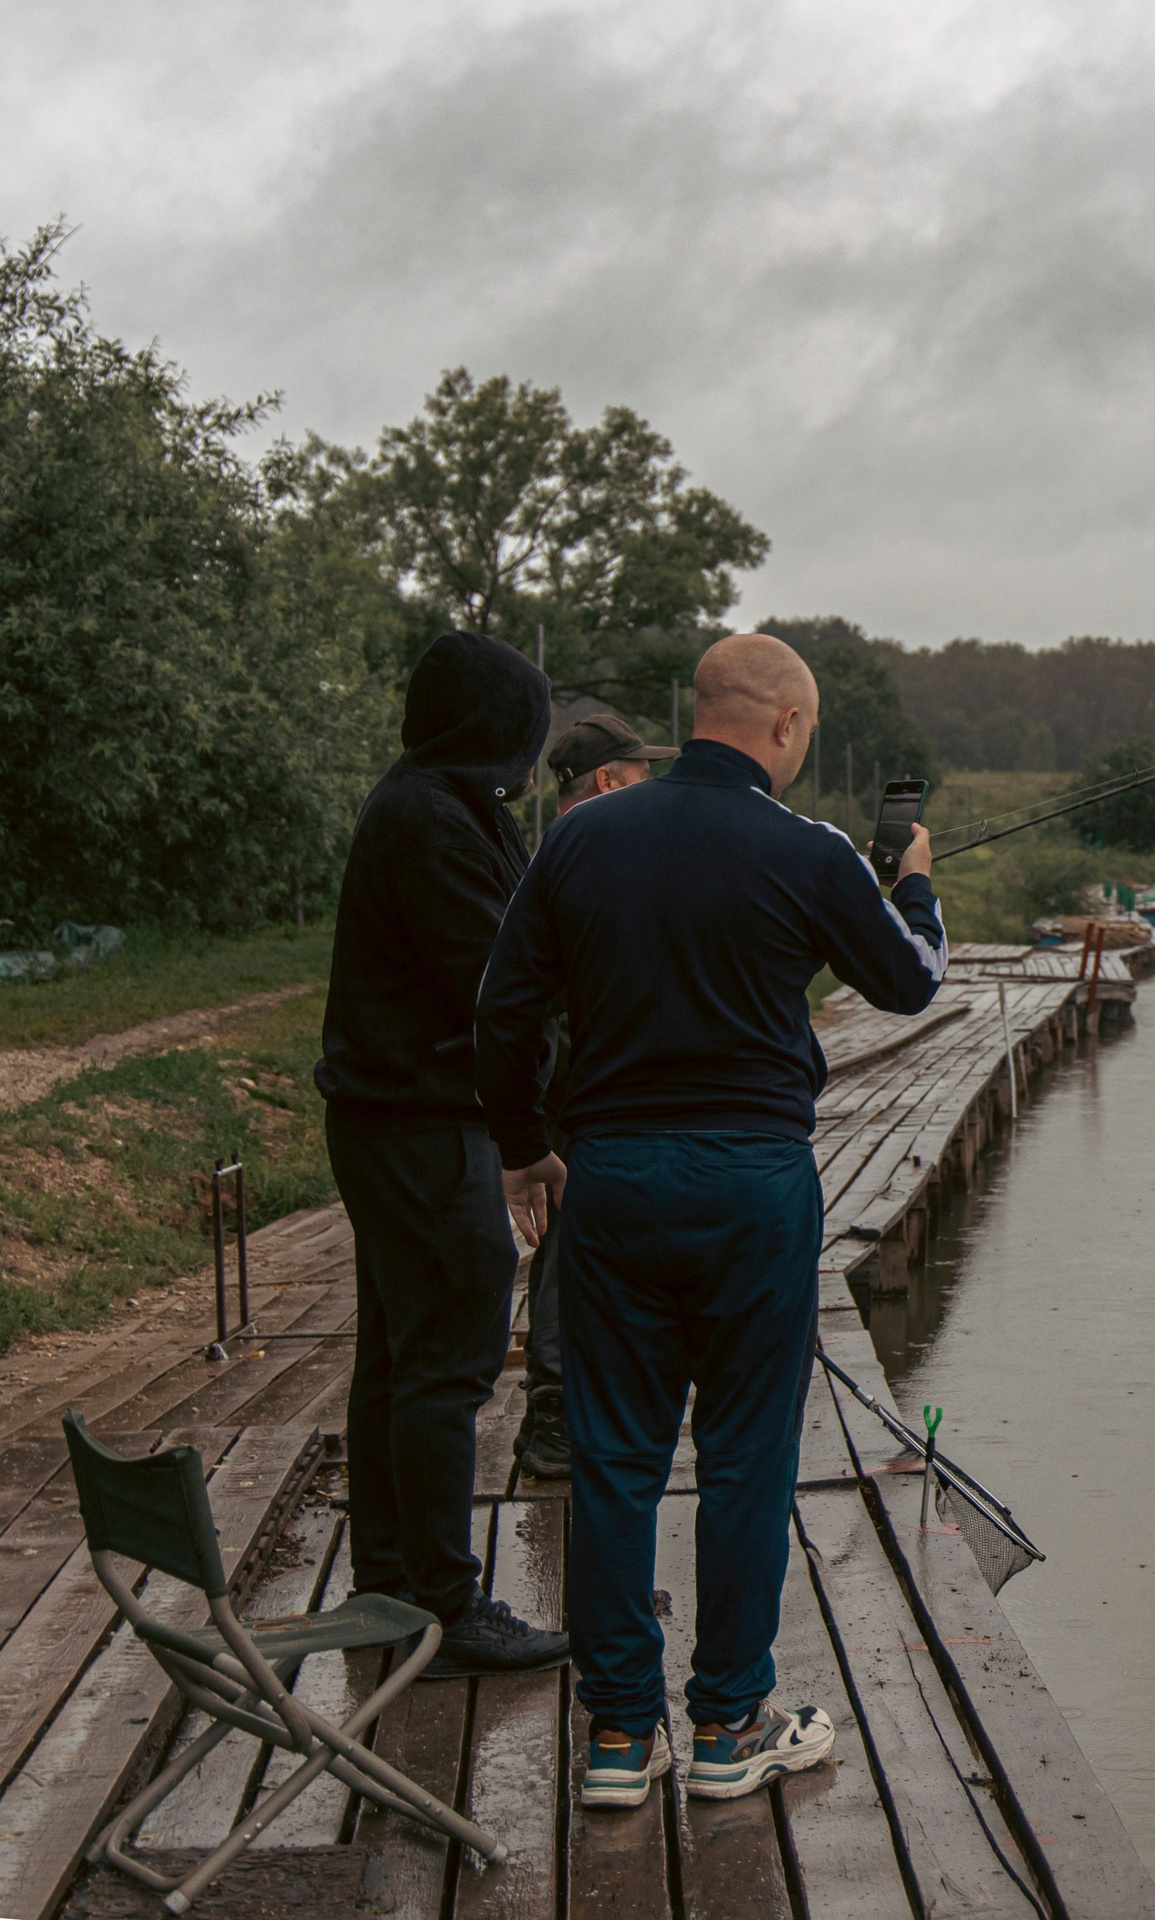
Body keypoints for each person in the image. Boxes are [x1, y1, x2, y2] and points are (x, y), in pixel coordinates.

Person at [475, 633, 945, 1808]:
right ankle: (731, 1723)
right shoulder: (810, 850)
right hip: (752, 1186)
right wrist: (913, 882)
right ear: (784, 724)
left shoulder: (581, 837)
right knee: (745, 1457)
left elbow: (503, 1010)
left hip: (613, 1181)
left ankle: (619, 1736)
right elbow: (912, 980)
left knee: (614, 1458)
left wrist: (525, 1146)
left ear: (700, 712)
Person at [316, 631, 572, 1678]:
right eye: (525, 730)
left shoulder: (442, 803)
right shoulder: (431, 822)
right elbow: (499, 994)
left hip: (396, 1120)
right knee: (446, 1364)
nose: (532, 754)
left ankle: (389, 1585)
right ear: (491, 727)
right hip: (421, 1127)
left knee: (396, 1359)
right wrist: (529, 1135)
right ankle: (442, 1604)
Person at [513, 715, 678, 1482]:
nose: (649, 786)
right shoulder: (576, 860)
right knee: (566, 1252)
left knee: (585, 1252)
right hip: (577, 1096)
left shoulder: (568, 854)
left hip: (588, 1091)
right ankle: (554, 1414)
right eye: (639, 773)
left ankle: (582, 1404)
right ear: (609, 781)